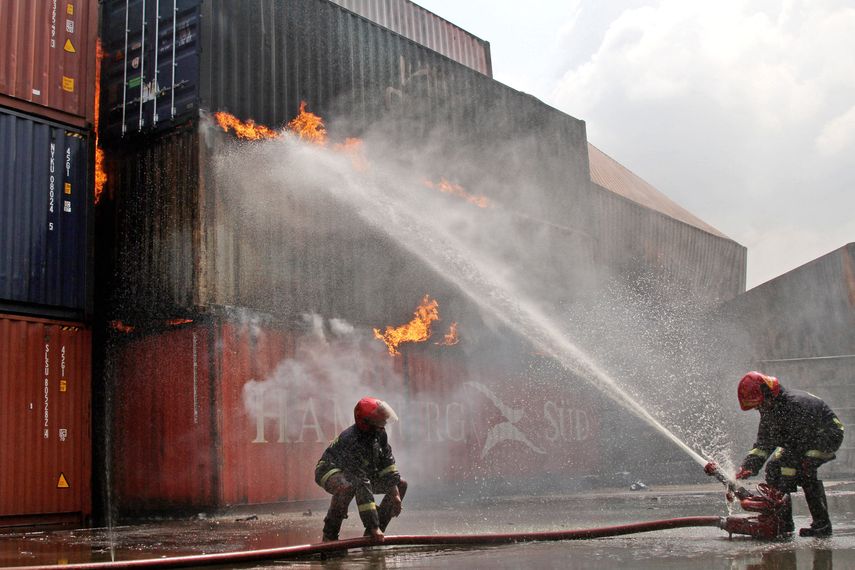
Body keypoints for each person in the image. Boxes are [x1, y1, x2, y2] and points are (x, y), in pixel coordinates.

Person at [734, 371, 844, 537]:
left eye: (759, 405)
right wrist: (749, 465)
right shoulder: (770, 409)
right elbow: (764, 443)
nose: (758, 409)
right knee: (773, 467)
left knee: (805, 470)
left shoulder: (795, 406)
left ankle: (822, 526)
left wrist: (783, 487)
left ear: (768, 394)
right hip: (800, 442)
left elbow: (796, 451)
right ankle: (784, 523)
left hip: (827, 436)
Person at [314, 397, 407, 542]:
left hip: (359, 474)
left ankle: (373, 536)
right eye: (379, 421)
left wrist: (395, 494)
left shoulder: (379, 433)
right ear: (365, 423)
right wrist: (372, 525)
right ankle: (330, 536)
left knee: (401, 484)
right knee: (346, 488)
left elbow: (387, 464)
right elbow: (361, 482)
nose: (383, 425)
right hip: (329, 470)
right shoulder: (351, 440)